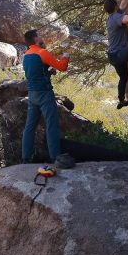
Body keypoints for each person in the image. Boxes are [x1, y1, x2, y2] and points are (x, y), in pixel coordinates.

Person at [21, 29, 75, 169]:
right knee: (51, 125)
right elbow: (62, 67)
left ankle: (26, 157)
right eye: (40, 36)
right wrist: (66, 55)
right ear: (35, 39)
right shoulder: (42, 53)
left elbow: (34, 74)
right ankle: (55, 157)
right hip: (45, 94)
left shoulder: (26, 55)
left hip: (32, 94)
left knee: (29, 126)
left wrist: (48, 72)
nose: (42, 37)